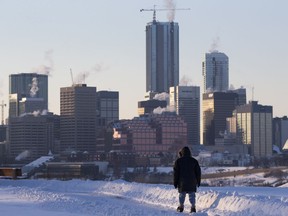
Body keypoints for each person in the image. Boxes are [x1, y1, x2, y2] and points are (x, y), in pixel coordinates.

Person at [173, 146, 201, 213]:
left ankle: (181, 206)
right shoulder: (194, 161)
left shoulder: (178, 161)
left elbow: (176, 173)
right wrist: (198, 181)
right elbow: (198, 172)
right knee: (192, 195)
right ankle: (193, 207)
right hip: (192, 182)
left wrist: (175, 182)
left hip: (182, 182)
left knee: (182, 194)